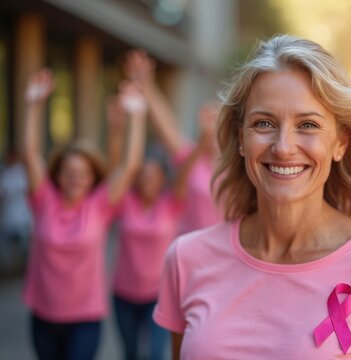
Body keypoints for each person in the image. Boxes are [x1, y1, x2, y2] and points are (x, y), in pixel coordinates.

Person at [154, 35, 351, 359]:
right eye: (263, 123)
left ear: (341, 143)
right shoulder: (186, 259)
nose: (282, 147)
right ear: (240, 139)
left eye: (307, 124)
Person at [21, 69, 146, 360]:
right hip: (43, 314)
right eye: (69, 172)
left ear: (92, 178)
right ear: (58, 175)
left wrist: (137, 115)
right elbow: (30, 152)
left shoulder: (100, 205)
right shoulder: (43, 200)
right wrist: (33, 105)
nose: (76, 179)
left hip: (86, 318)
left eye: (83, 173)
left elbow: (129, 165)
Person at [106, 95, 189, 360]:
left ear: (163, 179)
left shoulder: (171, 203)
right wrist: (118, 128)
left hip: (158, 294)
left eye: (153, 176)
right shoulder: (125, 202)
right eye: (143, 175)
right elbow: (118, 165)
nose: (147, 180)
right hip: (123, 294)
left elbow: (186, 167)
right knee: (130, 353)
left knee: (154, 355)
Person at [124, 50, 223, 233]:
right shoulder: (191, 156)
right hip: (193, 250)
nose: (212, 127)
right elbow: (166, 125)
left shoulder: (240, 163)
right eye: (209, 120)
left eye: (218, 120)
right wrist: (146, 85)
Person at [0, 149, 32, 274]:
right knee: (9, 246)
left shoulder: (23, 173)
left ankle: (23, 269)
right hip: (9, 218)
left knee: (23, 245)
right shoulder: (5, 172)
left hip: (23, 217)